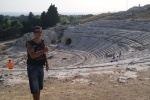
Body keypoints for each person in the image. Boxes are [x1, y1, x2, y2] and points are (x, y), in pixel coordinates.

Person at [26, 26, 49, 100]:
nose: (38, 33)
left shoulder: (41, 42)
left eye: (39, 32)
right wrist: (43, 51)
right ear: (34, 33)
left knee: (39, 88)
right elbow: (32, 55)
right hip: (32, 68)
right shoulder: (29, 43)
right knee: (35, 90)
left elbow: (44, 54)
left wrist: (47, 64)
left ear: (41, 33)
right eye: (36, 32)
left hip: (40, 67)